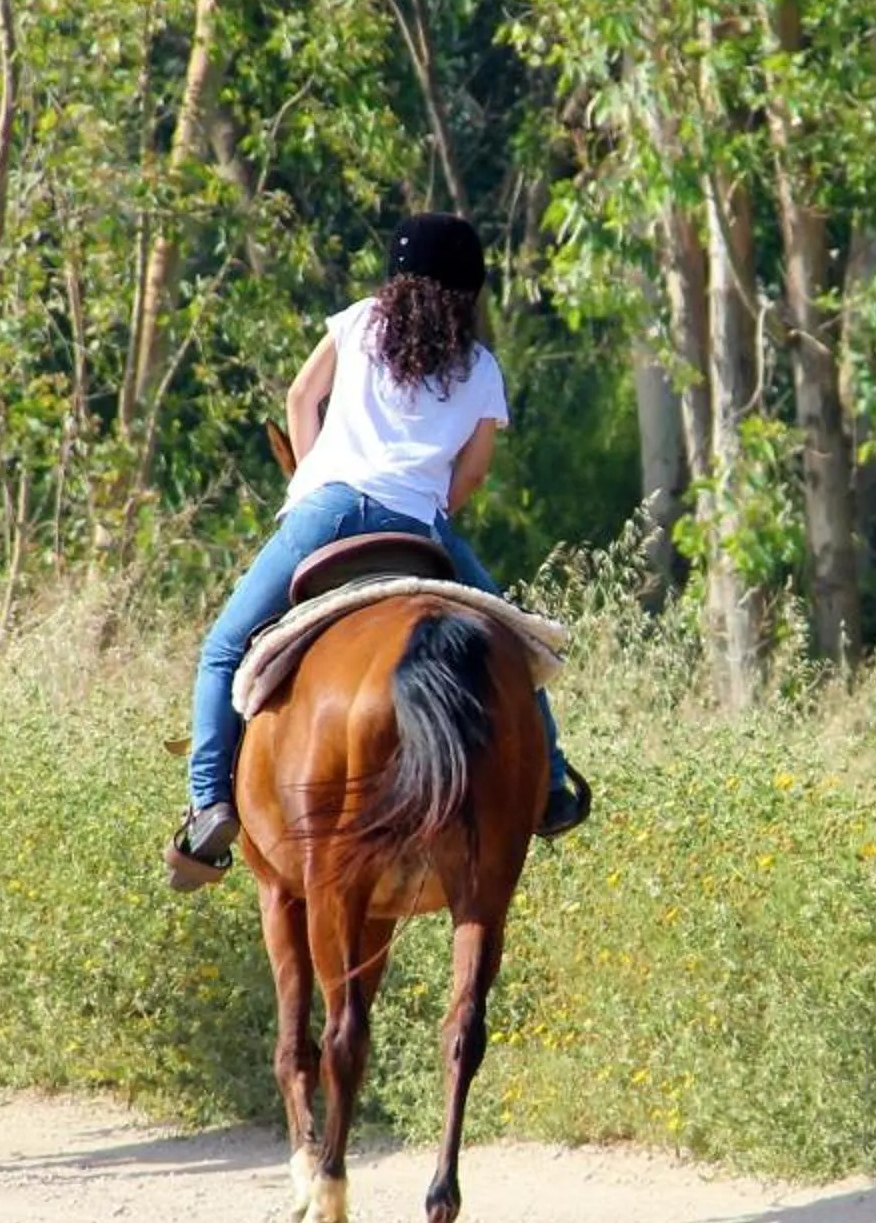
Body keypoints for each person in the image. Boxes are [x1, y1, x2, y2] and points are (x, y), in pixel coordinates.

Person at [169, 211, 588, 889]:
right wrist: (430, 513)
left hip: (325, 512)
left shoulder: (359, 320)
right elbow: (474, 471)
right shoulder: (479, 366)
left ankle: (209, 804)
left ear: (395, 278)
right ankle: (551, 787)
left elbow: (301, 397)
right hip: (420, 522)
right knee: (517, 644)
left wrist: (311, 484)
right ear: (470, 290)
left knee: (224, 646)